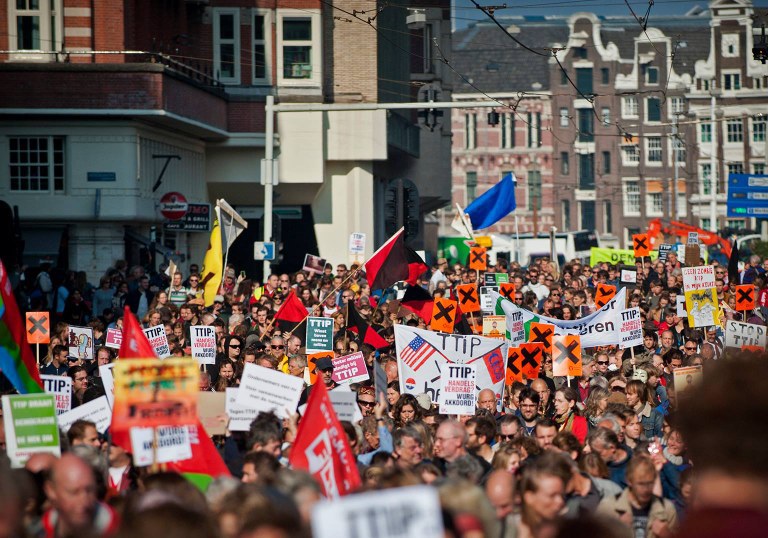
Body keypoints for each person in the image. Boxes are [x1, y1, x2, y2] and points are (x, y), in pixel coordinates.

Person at [598, 455, 677, 538]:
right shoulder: (608, 508)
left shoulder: (666, 509)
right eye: (641, 484)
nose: (646, 489)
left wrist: (667, 535)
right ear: (628, 481)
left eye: (650, 483)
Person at [42, 453, 119, 537]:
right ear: (51, 491)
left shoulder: (120, 529)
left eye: (89, 490)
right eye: (74, 492)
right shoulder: (39, 530)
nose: (84, 501)